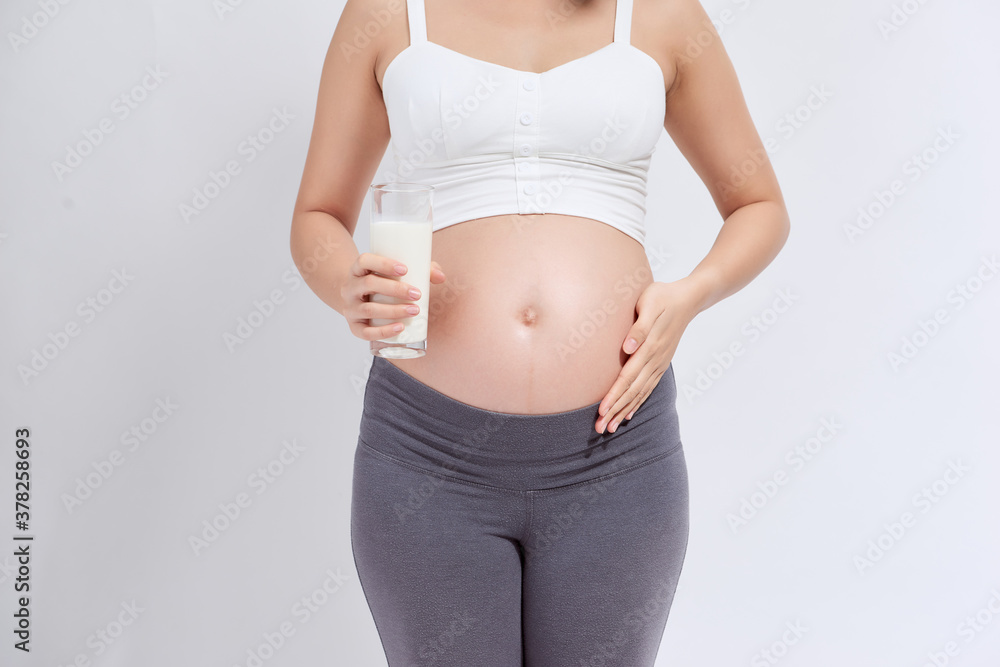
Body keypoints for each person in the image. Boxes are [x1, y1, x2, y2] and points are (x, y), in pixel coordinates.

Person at [289, 0, 789, 663]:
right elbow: (317, 215)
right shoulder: (385, 13)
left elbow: (759, 205)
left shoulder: (661, 15)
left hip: (614, 453)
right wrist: (348, 282)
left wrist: (689, 296)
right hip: (426, 455)